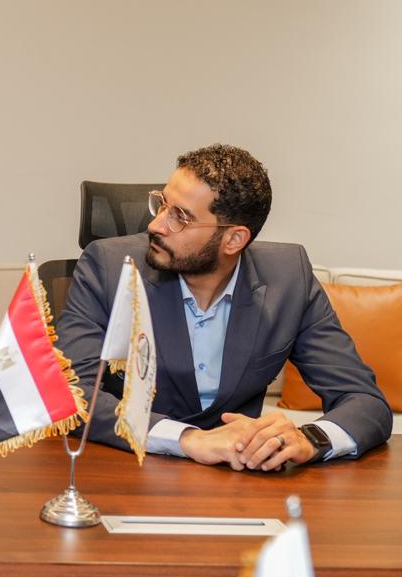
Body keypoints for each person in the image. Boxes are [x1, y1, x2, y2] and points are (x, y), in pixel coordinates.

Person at [57, 144, 392, 470]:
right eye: (162, 204)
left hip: (240, 476)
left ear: (234, 239)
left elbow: (365, 401)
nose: (155, 225)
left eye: (180, 217)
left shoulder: (289, 278)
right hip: (129, 469)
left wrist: (309, 439)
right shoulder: (109, 267)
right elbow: (71, 393)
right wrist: (187, 439)